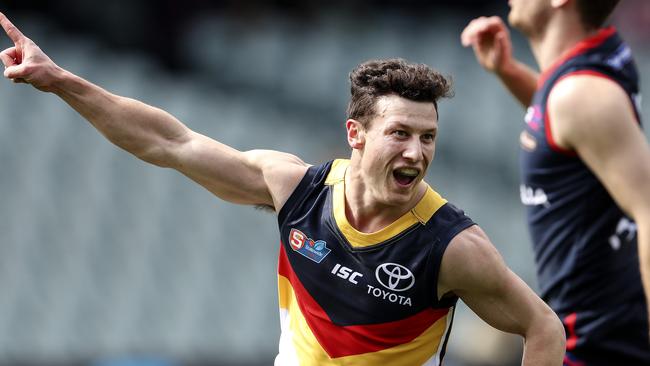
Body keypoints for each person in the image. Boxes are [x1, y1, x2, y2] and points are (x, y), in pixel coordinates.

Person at [0, 11, 565, 366]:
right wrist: (60, 81)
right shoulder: (298, 188)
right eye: (400, 134)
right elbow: (167, 142)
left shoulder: (453, 246)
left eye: (428, 137)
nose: (416, 153)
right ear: (356, 135)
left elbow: (543, 327)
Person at [461, 0, 650, 365]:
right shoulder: (596, 60)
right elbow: (567, 127)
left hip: (601, 346)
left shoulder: (581, 95)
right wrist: (508, 71)